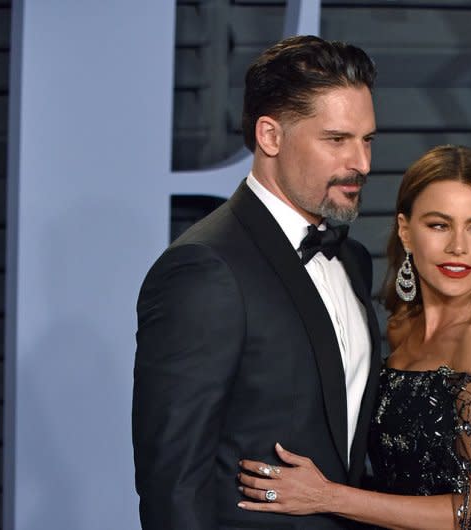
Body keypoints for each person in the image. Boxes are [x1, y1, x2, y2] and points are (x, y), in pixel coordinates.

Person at [236, 145, 471, 529]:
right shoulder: (402, 327)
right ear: (406, 231)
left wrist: (326, 496)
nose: (458, 246)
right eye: (439, 225)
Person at [132, 35, 381, 530]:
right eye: (337, 140)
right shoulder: (204, 267)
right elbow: (172, 481)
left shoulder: (352, 258)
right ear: (270, 137)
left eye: (367, 139)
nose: (362, 163)